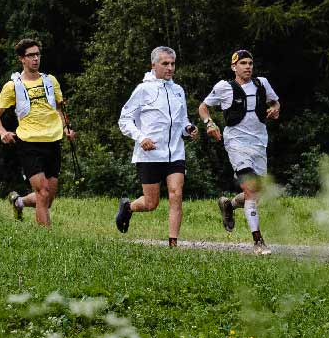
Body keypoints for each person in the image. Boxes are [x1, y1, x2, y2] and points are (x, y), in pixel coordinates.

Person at [198, 48, 280, 255]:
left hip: (259, 142)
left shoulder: (262, 83)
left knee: (256, 194)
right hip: (236, 143)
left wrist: (275, 108)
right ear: (234, 67)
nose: (248, 67)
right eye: (243, 64)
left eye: (250, 63)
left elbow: (275, 102)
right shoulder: (224, 87)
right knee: (252, 189)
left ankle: (229, 205)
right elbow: (203, 107)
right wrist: (209, 124)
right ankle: (258, 241)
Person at [115, 46, 198, 244]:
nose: (170, 68)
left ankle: (173, 243)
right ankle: (128, 208)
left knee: (176, 194)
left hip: (175, 153)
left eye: (173, 64)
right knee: (151, 203)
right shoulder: (143, 90)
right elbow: (124, 120)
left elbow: (182, 121)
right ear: (154, 65)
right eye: (165, 64)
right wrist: (141, 137)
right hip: (150, 155)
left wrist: (189, 129)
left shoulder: (178, 91)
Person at [0, 36, 74, 227]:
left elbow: (60, 109)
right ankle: (47, 242)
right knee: (43, 192)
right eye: (31, 55)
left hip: (53, 141)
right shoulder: (13, 86)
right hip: (29, 143)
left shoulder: (51, 81)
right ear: (22, 59)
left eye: (37, 54)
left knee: (48, 198)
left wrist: (66, 127)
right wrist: (3, 133)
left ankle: (19, 202)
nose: (36, 58)